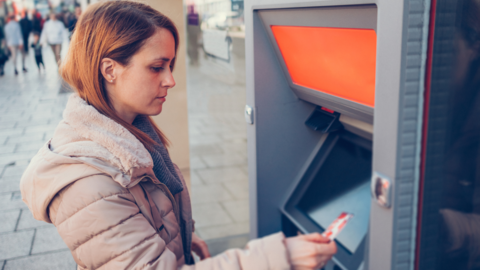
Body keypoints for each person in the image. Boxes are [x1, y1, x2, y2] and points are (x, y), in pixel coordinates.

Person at [19, 1, 337, 270]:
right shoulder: (89, 183)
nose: (170, 80)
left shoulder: (131, 133)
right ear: (109, 69)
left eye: (170, 65)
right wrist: (279, 258)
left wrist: (182, 237)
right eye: (157, 67)